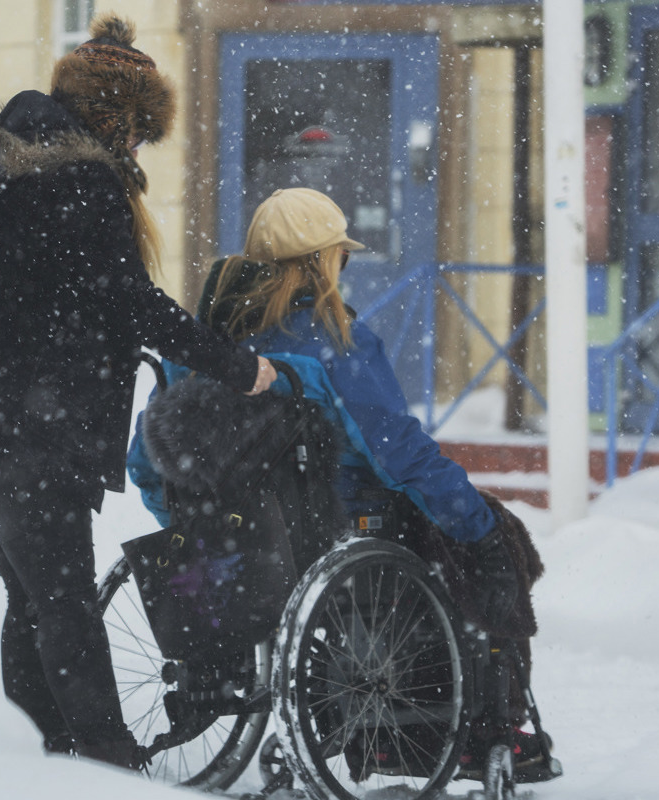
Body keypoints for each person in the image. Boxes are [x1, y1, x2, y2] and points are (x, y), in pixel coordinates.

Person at [0, 12, 277, 770]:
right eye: (139, 134)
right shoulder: (76, 175)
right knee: (61, 600)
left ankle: (41, 758)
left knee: (34, 592)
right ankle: (106, 763)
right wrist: (233, 365)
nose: (137, 150)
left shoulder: (14, 159)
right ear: (118, 119)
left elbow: (57, 292)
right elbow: (125, 298)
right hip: (3, 422)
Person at [129, 187, 554, 778]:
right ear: (323, 263)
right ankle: (481, 731)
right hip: (337, 521)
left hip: (241, 535)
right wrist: (477, 526)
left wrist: (200, 525)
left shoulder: (202, 345)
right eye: (340, 257)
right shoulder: (336, 343)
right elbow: (399, 454)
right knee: (488, 536)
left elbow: (146, 465)